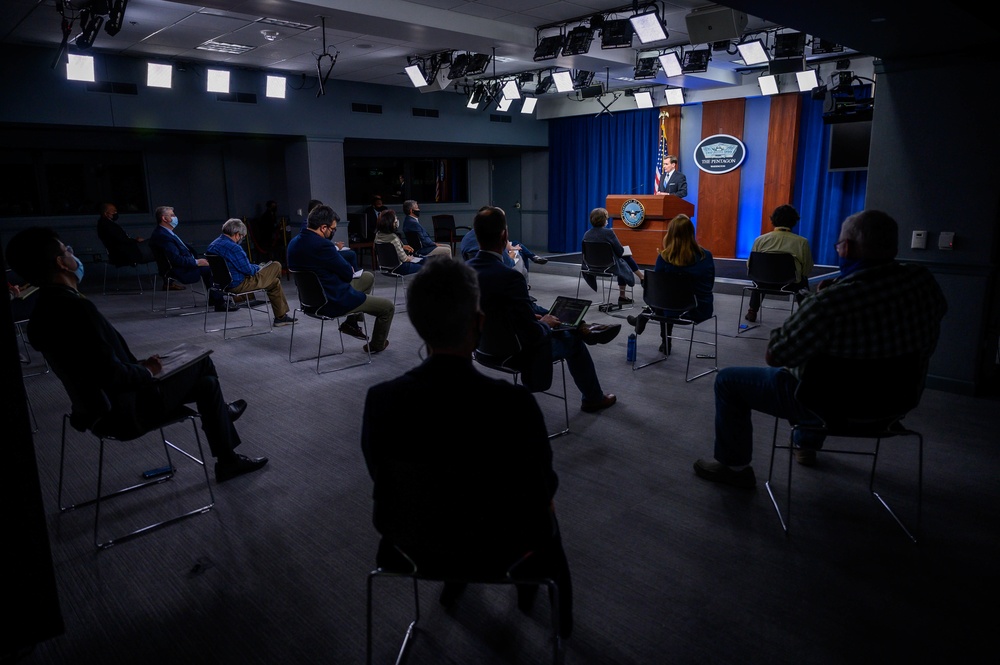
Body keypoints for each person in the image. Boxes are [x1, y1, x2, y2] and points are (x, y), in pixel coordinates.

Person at [360, 256, 573, 638]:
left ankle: (454, 575)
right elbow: (545, 490)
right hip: (504, 547)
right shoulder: (515, 405)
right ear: (478, 322)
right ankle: (559, 621)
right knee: (547, 517)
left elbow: (383, 477)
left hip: (412, 544)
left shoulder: (381, 401)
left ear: (418, 325)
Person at [693, 210, 948, 488]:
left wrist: (817, 303)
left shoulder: (830, 303)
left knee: (731, 381)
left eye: (839, 245)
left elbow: (776, 354)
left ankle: (735, 468)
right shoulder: (924, 283)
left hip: (826, 405)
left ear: (847, 248)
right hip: (895, 403)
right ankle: (805, 443)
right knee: (830, 372)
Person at [5, 226, 268, 483]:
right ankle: (226, 437)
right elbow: (113, 375)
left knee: (207, 385)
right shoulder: (76, 311)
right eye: (67, 250)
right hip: (126, 409)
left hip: (99, 409)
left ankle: (228, 457)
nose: (73, 254)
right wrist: (146, 371)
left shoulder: (44, 312)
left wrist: (140, 365)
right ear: (61, 263)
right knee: (202, 361)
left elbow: (93, 365)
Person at [467, 205, 619, 413]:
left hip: (481, 350)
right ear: (504, 236)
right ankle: (593, 398)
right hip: (513, 353)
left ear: (477, 235)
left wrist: (536, 319)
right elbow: (530, 334)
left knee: (539, 312)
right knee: (573, 343)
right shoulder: (510, 277)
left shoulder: (464, 272)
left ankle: (581, 327)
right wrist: (544, 324)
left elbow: (498, 314)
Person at [286, 203, 395, 352]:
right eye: (333, 229)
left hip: (309, 301)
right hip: (333, 300)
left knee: (367, 277)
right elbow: (347, 273)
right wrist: (343, 270)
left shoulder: (293, 243)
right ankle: (377, 344)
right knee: (388, 307)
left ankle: (351, 322)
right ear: (323, 228)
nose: (333, 232)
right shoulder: (323, 245)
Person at [627, 214, 714, 354]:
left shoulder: (664, 257)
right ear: (692, 232)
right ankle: (643, 318)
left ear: (671, 233)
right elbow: (709, 285)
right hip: (699, 309)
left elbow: (657, 290)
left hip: (671, 309)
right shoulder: (706, 255)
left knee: (662, 299)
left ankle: (663, 340)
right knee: (667, 299)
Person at [205, 218, 296, 326]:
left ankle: (281, 318)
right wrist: (259, 267)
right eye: (242, 237)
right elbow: (248, 270)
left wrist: (256, 267)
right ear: (237, 234)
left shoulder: (213, 245)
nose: (241, 239)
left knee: (274, 282)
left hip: (221, 285)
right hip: (238, 284)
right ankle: (281, 317)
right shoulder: (234, 248)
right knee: (276, 265)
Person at [148, 205, 236, 311]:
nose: (175, 217)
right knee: (213, 268)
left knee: (211, 264)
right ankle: (219, 302)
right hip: (178, 270)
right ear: (164, 218)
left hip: (183, 265)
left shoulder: (165, 233)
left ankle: (215, 298)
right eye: (172, 215)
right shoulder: (163, 236)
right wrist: (197, 262)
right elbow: (176, 259)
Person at [744, 204, 814, 322]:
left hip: (763, 284)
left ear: (773, 220)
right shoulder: (802, 242)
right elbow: (806, 269)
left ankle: (752, 311)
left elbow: (750, 266)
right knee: (803, 280)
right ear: (794, 221)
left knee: (758, 278)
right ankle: (806, 314)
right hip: (790, 284)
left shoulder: (759, 240)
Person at [582, 207, 645, 305]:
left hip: (590, 266)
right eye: (606, 218)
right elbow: (620, 252)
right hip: (608, 266)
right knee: (624, 259)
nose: (607, 220)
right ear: (603, 220)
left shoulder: (587, 234)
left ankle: (625, 294)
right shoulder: (608, 233)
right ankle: (640, 278)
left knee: (622, 260)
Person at [95, 202, 157, 266]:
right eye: (113, 211)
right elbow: (122, 239)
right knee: (158, 243)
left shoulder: (104, 224)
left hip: (124, 252)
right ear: (106, 213)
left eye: (116, 211)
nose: (115, 213)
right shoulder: (107, 225)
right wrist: (136, 241)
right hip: (127, 253)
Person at [460, 228, 548, 266]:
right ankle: (532, 257)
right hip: (495, 269)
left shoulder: (467, 237)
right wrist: (512, 254)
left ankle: (533, 257)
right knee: (520, 253)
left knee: (517, 244)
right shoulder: (493, 242)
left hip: (475, 267)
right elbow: (508, 264)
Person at [373, 209, 422, 275]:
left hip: (384, 267)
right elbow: (404, 259)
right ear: (390, 223)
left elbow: (386, 248)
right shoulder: (393, 238)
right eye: (395, 220)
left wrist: (402, 246)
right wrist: (410, 258)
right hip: (399, 268)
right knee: (426, 267)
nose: (397, 222)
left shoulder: (377, 235)